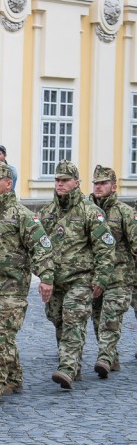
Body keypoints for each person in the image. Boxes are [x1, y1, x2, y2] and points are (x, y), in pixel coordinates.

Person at [0, 161, 54, 400]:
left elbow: (41, 248)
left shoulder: (22, 215)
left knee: (0, 334)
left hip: (13, 288)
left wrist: (46, 278)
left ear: (8, 184)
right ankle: (14, 378)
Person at [39, 160, 114, 390]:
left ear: (77, 182)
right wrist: (43, 275)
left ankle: (67, 367)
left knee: (73, 318)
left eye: (65, 180)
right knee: (59, 320)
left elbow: (105, 247)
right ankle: (74, 364)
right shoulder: (47, 212)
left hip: (81, 279)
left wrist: (101, 279)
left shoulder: (90, 212)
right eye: (57, 180)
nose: (60, 184)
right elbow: (38, 246)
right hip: (56, 281)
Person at [87, 165, 136, 379]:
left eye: (103, 183)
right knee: (97, 318)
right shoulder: (86, 210)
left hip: (120, 276)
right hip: (95, 276)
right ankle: (112, 358)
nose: (98, 187)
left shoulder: (125, 212)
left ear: (114, 187)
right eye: (96, 183)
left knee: (111, 317)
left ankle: (105, 358)